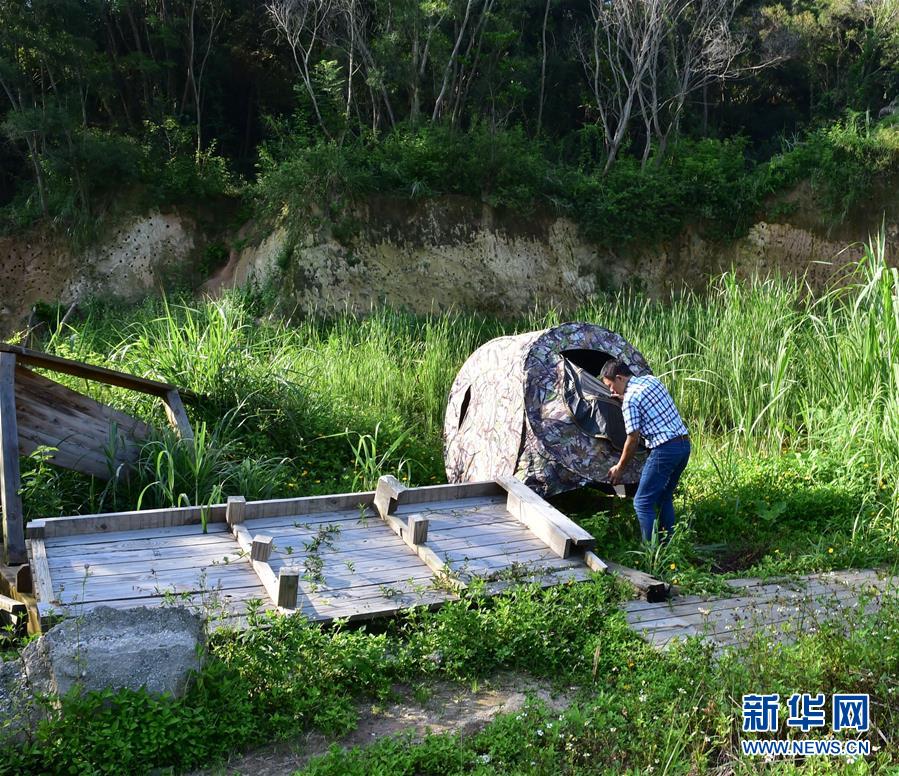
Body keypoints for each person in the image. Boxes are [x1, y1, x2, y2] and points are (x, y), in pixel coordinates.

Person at [599, 359, 690, 543]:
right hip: (684, 446)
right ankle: (668, 545)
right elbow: (646, 401)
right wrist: (624, 398)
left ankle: (650, 552)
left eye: (610, 386)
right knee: (664, 495)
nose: (611, 391)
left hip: (664, 451)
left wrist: (620, 468)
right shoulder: (651, 380)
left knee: (642, 503)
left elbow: (632, 439)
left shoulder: (630, 401)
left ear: (619, 378)